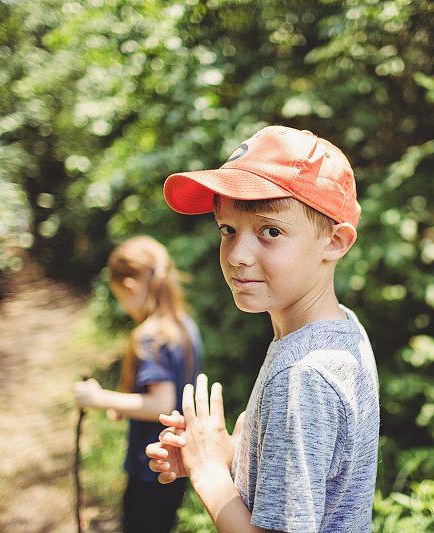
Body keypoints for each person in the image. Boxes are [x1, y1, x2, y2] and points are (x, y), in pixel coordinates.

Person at [146, 125, 380, 533]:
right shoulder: (342, 330)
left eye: (270, 231)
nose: (237, 255)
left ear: (335, 242)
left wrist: (209, 476)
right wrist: (230, 457)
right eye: (227, 229)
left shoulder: (303, 375)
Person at [73, 235, 202, 533]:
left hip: (151, 466)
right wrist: (126, 404)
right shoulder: (184, 324)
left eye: (119, 296)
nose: (123, 304)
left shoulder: (151, 335)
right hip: (178, 461)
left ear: (129, 287)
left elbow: (160, 403)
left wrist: (98, 397)